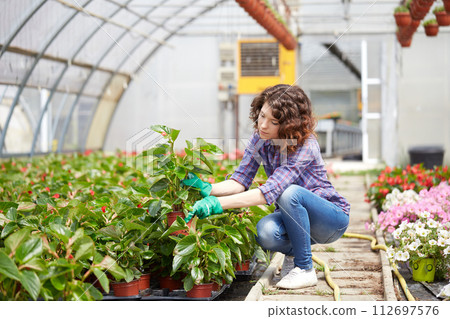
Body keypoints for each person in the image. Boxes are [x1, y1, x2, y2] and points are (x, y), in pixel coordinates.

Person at [182, 84, 350, 289]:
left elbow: (269, 191)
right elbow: (240, 180)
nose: (263, 125)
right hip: (297, 218)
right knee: (265, 232)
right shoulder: (260, 139)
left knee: (289, 193)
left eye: (274, 122)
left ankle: (305, 268)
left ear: (290, 125)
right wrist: (208, 188)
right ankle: (294, 255)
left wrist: (215, 204)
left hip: (331, 219)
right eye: (262, 115)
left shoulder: (305, 145)